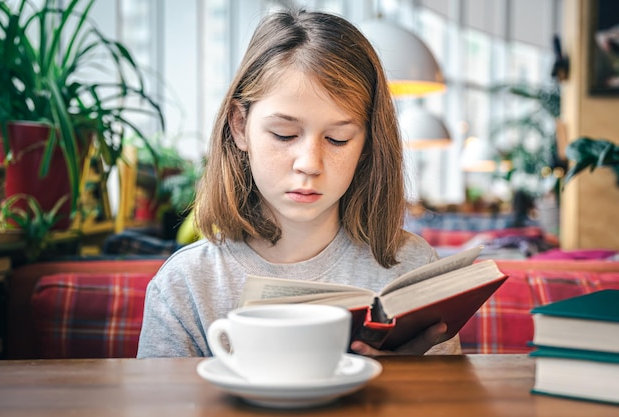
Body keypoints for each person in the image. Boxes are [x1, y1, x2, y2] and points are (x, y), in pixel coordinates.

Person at [137, 9, 461, 358]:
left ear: (367, 144)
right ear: (239, 126)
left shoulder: (413, 271)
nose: (309, 163)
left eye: (338, 138)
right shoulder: (186, 284)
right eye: (284, 134)